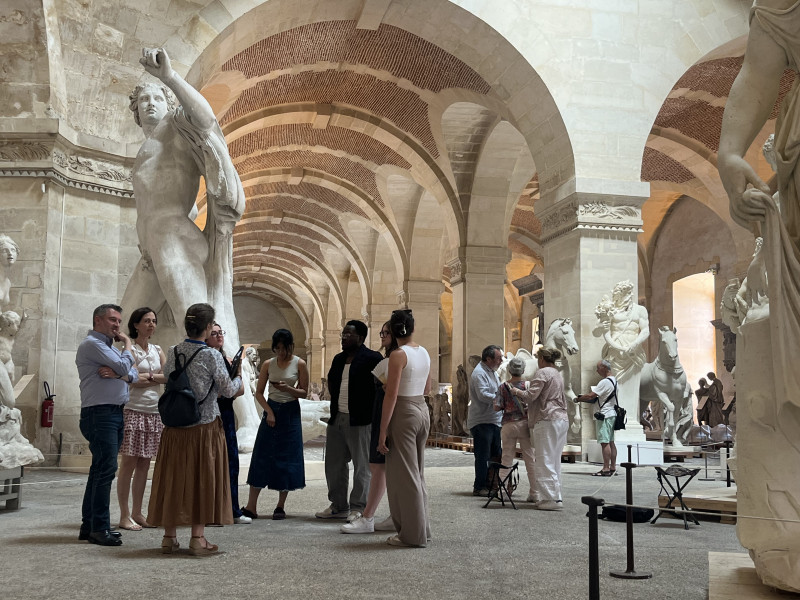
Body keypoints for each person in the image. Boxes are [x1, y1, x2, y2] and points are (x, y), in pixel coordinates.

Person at [122, 47, 244, 355]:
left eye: (158, 97)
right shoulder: (144, 150)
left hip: (174, 238)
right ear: (136, 111)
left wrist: (170, 78)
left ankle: (234, 400)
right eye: (144, 100)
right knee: (120, 329)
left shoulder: (177, 126)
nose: (151, 103)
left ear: (169, 104)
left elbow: (205, 119)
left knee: (200, 331)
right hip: (152, 249)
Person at [147, 303, 242, 556]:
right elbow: (228, 390)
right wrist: (239, 375)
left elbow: (169, 380)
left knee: (173, 479)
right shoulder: (211, 355)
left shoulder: (173, 349)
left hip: (175, 427)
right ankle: (197, 538)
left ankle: (169, 537)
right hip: (204, 427)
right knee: (202, 479)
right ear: (208, 327)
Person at [75, 304, 138, 546]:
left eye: (119, 321)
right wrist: (128, 347)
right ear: (97, 321)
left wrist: (122, 372)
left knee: (99, 470)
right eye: (112, 320)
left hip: (112, 413)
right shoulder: (93, 344)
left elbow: (132, 374)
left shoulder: (107, 348)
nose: (117, 325)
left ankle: (89, 525)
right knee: (106, 470)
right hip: (100, 414)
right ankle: (99, 528)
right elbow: (125, 367)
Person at [316, 320, 382, 520]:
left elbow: (380, 390)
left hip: (361, 420)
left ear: (361, 338)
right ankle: (338, 505)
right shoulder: (338, 359)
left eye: (349, 334)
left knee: (362, 466)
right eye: (343, 334)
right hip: (337, 418)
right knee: (334, 464)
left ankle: (358, 508)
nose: (344, 337)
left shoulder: (372, 358)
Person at [377, 309, 432, 547]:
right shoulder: (424, 352)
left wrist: (382, 432)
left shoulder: (398, 355)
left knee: (406, 477)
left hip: (404, 411)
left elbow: (391, 395)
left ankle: (412, 535)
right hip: (422, 409)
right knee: (417, 473)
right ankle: (422, 529)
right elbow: (428, 389)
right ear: (412, 328)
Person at [243, 329, 309, 520]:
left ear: (291, 347)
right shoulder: (267, 364)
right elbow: (259, 392)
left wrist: (288, 389)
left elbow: (303, 392)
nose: (281, 352)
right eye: (277, 348)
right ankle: (251, 506)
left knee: (287, 456)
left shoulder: (299, 363)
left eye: (284, 348)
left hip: (290, 411)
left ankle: (280, 505)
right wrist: (269, 412)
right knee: (262, 454)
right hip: (272, 408)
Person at [341, 321, 398, 534]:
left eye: (386, 333)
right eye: (381, 332)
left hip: (386, 417)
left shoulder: (397, 357)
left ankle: (369, 517)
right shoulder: (389, 358)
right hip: (379, 414)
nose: (382, 336)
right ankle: (394, 515)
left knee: (379, 468)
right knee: (381, 468)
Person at [116, 307, 166, 531]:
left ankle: (138, 511)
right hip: (133, 410)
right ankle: (124, 514)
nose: (151, 325)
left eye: (154, 321)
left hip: (154, 411)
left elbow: (168, 377)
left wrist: (149, 377)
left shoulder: (157, 349)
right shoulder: (130, 350)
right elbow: (131, 378)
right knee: (128, 464)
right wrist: (149, 378)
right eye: (146, 321)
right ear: (136, 325)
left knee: (145, 465)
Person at [509, 347, 568, 510]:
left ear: (541, 359)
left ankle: (549, 499)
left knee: (544, 459)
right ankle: (556, 496)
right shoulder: (557, 373)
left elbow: (531, 396)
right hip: (561, 418)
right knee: (555, 460)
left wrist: (516, 391)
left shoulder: (542, 373)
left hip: (547, 418)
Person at [204, 323, 250, 524]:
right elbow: (226, 390)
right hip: (210, 413)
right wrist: (236, 378)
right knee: (210, 462)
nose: (219, 336)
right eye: (213, 333)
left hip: (226, 413)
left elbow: (238, 391)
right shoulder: (207, 358)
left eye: (220, 332)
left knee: (231, 462)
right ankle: (210, 511)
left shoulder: (227, 359)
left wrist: (237, 375)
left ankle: (232, 509)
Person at [593, 280, 649, 427]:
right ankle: (617, 421)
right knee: (616, 388)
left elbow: (645, 330)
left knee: (632, 388)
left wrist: (635, 344)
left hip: (633, 355)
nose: (616, 297)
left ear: (628, 294)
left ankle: (630, 420)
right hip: (615, 353)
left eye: (619, 294)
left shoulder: (640, 310)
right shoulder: (610, 310)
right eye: (616, 294)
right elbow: (597, 331)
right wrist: (601, 327)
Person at [496, 357, 536, 501]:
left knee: (506, 457)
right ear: (523, 370)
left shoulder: (503, 386)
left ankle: (502, 492)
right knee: (530, 458)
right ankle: (534, 493)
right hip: (524, 423)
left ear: (509, 370)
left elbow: (496, 407)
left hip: (508, 424)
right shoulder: (528, 385)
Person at [467, 345, 503, 496]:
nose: (501, 361)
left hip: (494, 420)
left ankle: (492, 483)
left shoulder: (492, 372)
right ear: (488, 359)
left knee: (496, 454)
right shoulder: (479, 373)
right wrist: (500, 399)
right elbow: (482, 395)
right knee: (483, 456)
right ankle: (479, 486)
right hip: (482, 421)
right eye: (498, 358)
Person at [575, 360, 618, 477]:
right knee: (611, 442)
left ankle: (605, 468)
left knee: (605, 442)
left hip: (604, 415)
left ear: (604, 368)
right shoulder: (614, 380)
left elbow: (591, 396)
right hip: (611, 413)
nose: (597, 370)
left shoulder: (604, 382)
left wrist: (578, 399)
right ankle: (613, 467)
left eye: (598, 368)